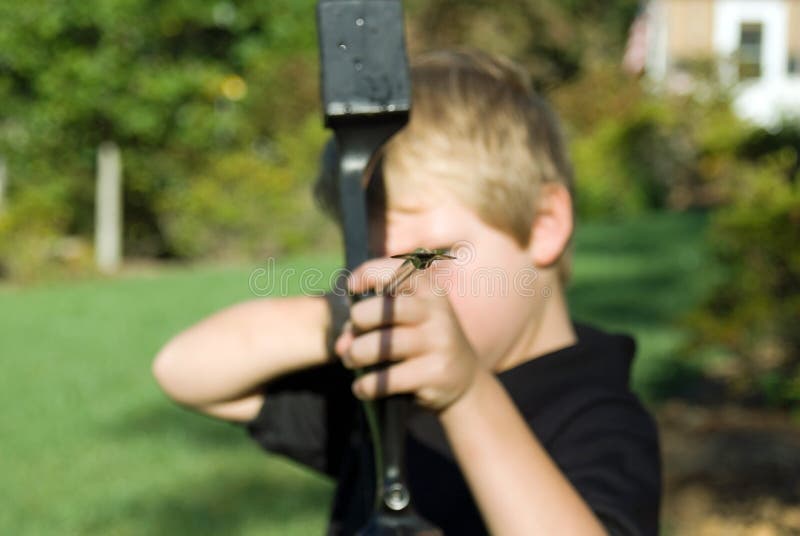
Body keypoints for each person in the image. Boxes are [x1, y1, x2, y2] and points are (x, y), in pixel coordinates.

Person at [152, 49, 661, 535]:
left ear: (544, 225)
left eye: (429, 256)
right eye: (376, 262)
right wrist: (343, 314)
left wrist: (466, 395)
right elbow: (185, 370)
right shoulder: (387, 392)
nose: (404, 288)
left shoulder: (598, 417)